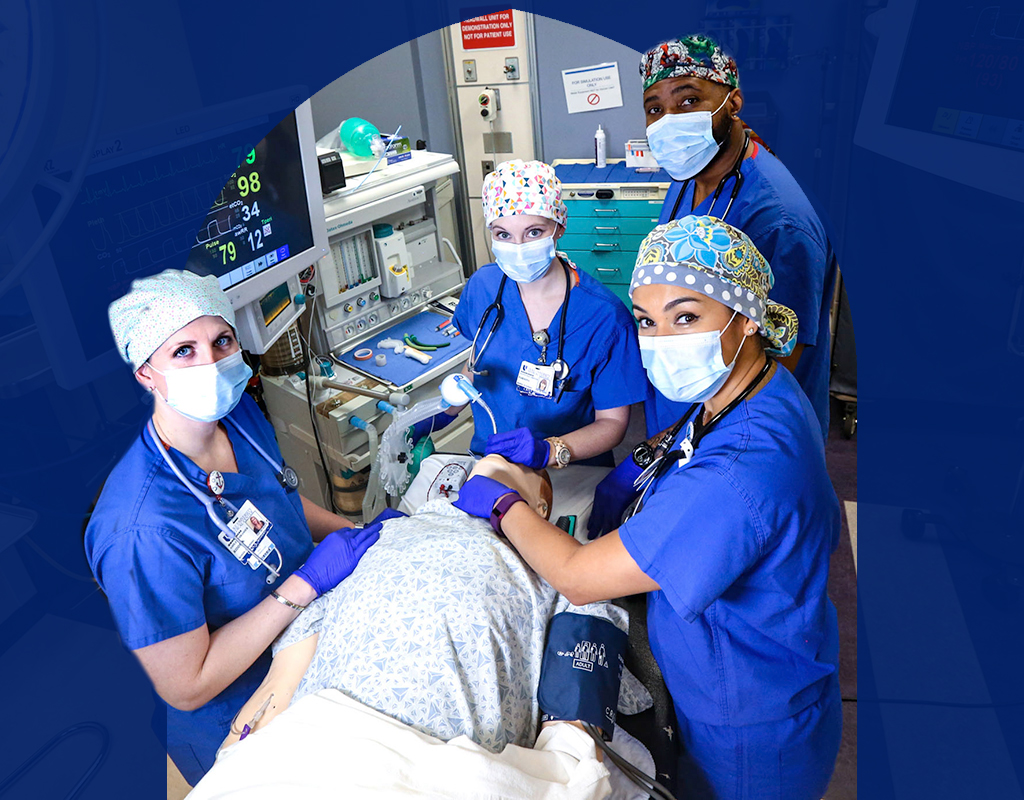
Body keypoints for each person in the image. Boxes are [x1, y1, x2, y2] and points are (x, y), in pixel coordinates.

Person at [454, 218, 842, 800]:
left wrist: (504, 501)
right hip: (741, 676)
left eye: (686, 316)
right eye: (646, 320)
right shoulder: (755, 388)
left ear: (746, 318)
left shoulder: (739, 472)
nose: (661, 339)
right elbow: (684, 453)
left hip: (748, 726)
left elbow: (580, 579)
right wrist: (586, 458)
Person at [84, 269, 382, 785]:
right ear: (145, 374)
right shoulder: (142, 531)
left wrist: (357, 538)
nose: (213, 363)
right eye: (183, 351)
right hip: (236, 715)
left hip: (310, 647)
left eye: (222, 341)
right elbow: (187, 685)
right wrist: (306, 585)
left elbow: (280, 502)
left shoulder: (238, 412)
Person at [218, 454, 627, 753]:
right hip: (326, 741)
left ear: (540, 509)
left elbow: (579, 700)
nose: (495, 461)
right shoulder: (379, 538)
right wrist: (240, 759)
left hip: (442, 758)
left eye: (525, 472)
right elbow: (284, 680)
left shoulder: (557, 568)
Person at [640, 34, 836, 440]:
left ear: (733, 103)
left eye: (689, 100)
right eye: (655, 109)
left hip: (743, 427)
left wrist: (690, 432)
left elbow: (785, 351)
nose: (669, 120)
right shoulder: (692, 175)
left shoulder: (779, 218)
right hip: (691, 407)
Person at [411, 159, 647, 470]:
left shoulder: (606, 319)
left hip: (571, 469)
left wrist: (549, 451)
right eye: (503, 234)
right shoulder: (483, 287)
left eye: (534, 231)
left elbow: (613, 424)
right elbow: (480, 363)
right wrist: (444, 409)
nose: (518, 247)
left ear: (559, 227)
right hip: (490, 461)